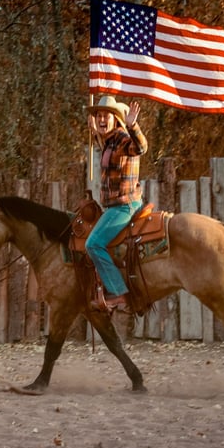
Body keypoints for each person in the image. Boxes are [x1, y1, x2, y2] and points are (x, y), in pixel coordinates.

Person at [85, 94, 148, 313]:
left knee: (92, 244)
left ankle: (119, 293)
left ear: (116, 119)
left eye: (106, 116)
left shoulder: (123, 139)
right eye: (99, 115)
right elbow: (105, 148)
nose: (102, 119)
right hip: (114, 206)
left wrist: (134, 126)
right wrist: (94, 131)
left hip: (124, 205)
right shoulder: (109, 140)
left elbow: (140, 148)